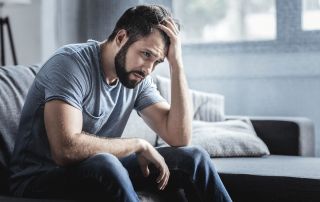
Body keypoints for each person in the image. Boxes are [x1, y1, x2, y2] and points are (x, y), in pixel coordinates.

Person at [9, 4, 232, 202]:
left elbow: (179, 136)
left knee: (194, 158)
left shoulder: (138, 77)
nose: (148, 69)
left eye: (158, 62)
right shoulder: (70, 65)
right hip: (38, 178)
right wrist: (137, 144)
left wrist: (177, 64)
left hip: (97, 170)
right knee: (106, 163)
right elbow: (65, 150)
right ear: (121, 37)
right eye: (146, 54)